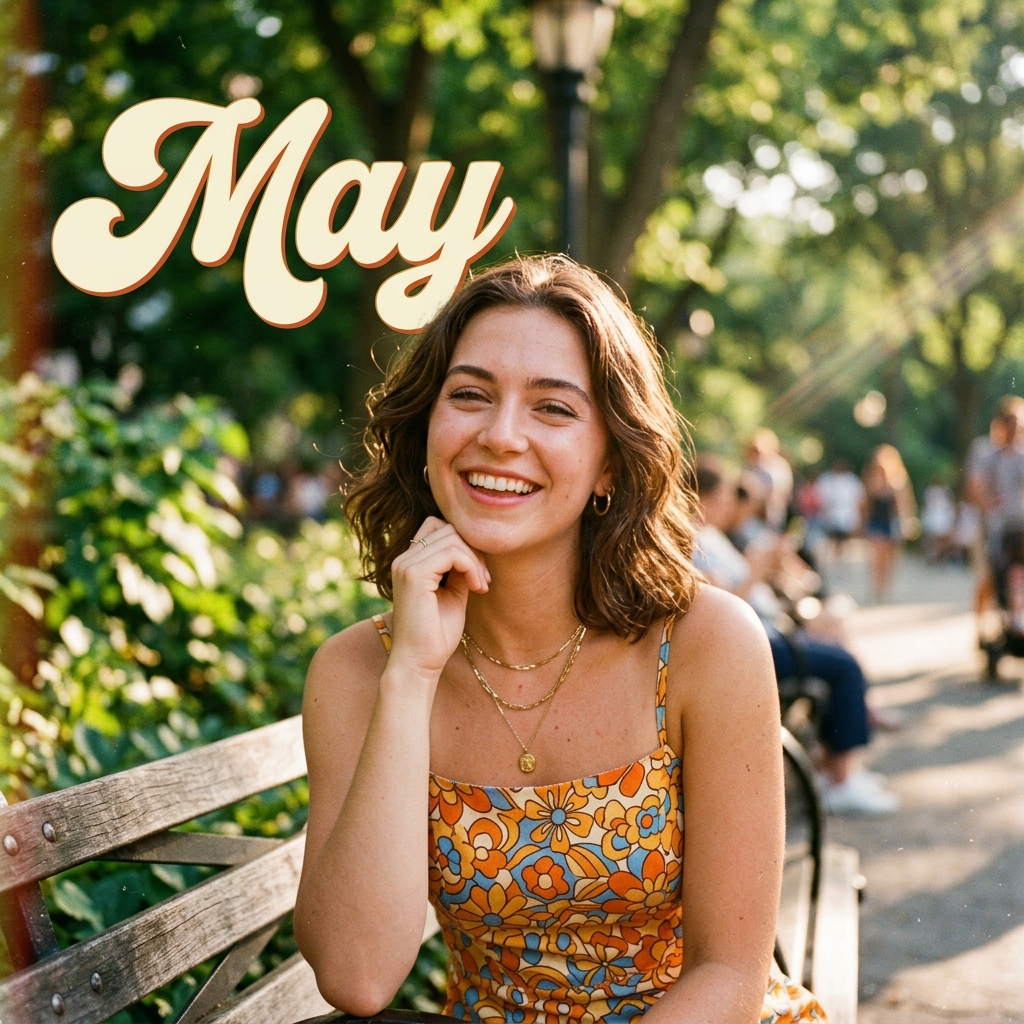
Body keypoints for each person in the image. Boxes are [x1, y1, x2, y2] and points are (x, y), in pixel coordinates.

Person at [293, 257, 825, 1023]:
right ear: (427, 430)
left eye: (553, 409)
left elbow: (728, 975)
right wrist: (410, 675)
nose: (500, 436)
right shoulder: (357, 672)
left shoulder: (708, 646)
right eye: (470, 396)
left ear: (610, 459)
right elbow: (358, 978)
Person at [694, 455, 898, 816]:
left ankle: (838, 770)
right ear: (700, 497)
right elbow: (720, 612)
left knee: (837, 650)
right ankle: (840, 780)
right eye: (723, 495)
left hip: (767, 631)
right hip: (752, 644)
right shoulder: (695, 542)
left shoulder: (711, 536)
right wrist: (757, 570)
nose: (729, 504)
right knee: (845, 666)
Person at [861, 445, 915, 603]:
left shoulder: (898, 481)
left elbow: (903, 505)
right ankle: (876, 588)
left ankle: (885, 588)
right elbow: (866, 506)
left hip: (890, 523)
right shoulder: (871, 482)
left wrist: (905, 523)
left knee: (889, 561)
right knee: (876, 558)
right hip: (876, 523)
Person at [743, 428, 793, 532]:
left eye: (758, 451)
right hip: (753, 515)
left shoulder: (777, 468)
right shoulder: (754, 467)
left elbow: (776, 495)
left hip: (770, 516)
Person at [815, 459, 864, 558]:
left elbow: (859, 499)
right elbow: (820, 496)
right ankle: (835, 556)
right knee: (833, 537)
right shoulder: (827, 479)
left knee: (845, 538)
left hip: (847, 515)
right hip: (831, 514)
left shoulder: (852, 480)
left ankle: (844, 556)